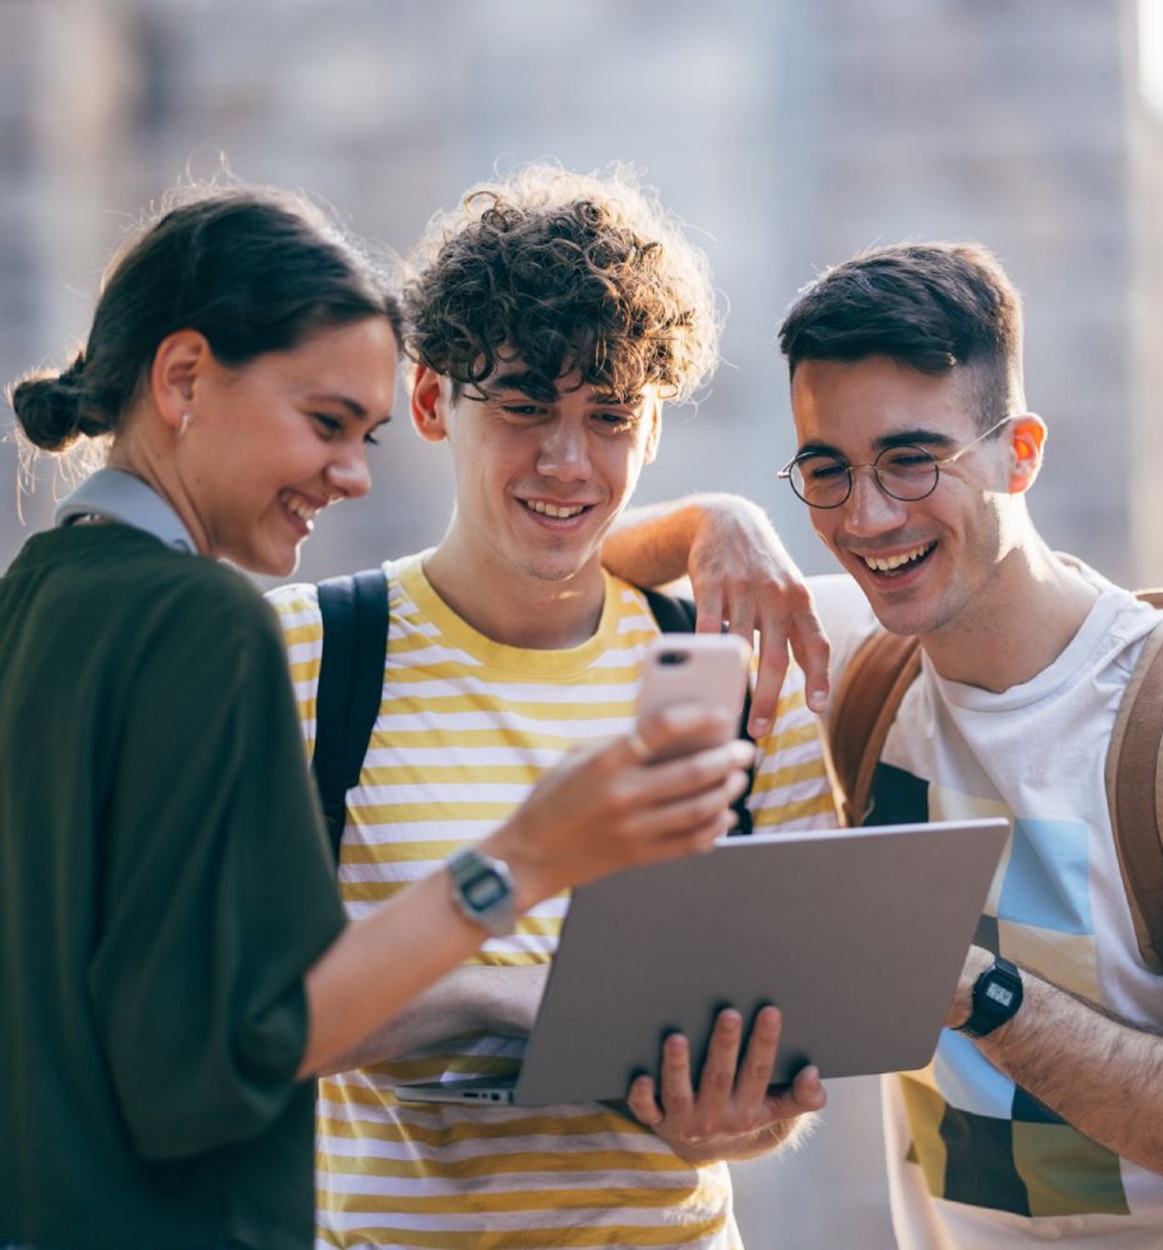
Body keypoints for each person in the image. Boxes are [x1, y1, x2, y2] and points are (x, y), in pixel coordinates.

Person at [0, 183, 760, 1250]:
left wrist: (709, 521)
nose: (354, 477)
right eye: (324, 423)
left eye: (612, 415)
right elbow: (217, 1054)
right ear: (182, 379)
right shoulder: (214, 627)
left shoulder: (39, 592)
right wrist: (521, 866)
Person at [627, 239, 1163, 1247]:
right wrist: (719, 521)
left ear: (1020, 451)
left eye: (912, 459)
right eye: (825, 471)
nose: (867, 516)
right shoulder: (851, 662)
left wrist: (978, 991)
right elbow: (584, 580)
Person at [266, 162, 835, 1250]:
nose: (567, 461)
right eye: (525, 404)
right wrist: (507, 997)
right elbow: (244, 1016)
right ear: (432, 401)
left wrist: (731, 1120)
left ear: (652, 429)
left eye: (610, 415)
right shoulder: (306, 659)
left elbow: (787, 1044)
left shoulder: (735, 669)